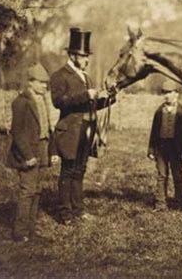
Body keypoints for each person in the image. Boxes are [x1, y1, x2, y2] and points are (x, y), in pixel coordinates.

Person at [50, 28, 114, 224]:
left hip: (86, 130)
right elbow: (59, 101)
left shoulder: (86, 77)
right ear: (72, 55)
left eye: (87, 56)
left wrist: (110, 98)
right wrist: (85, 95)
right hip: (70, 131)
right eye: (83, 56)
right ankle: (65, 214)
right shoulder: (60, 75)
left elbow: (92, 104)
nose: (87, 60)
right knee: (68, 171)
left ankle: (78, 210)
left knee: (80, 170)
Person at [8, 63, 59, 242]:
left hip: (43, 148)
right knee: (27, 190)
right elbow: (17, 132)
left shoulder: (43, 101)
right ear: (30, 83)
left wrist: (52, 151)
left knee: (37, 190)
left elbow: (48, 129)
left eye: (46, 83)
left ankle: (31, 229)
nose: (45, 86)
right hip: (28, 153)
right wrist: (28, 156)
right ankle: (20, 232)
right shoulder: (21, 102)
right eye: (41, 82)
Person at [147, 80, 182, 211]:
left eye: (169, 92)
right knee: (162, 175)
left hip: (176, 148)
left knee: (177, 175)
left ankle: (180, 204)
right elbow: (154, 132)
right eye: (164, 93)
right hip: (161, 147)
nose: (167, 95)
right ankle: (160, 204)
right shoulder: (159, 111)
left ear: (176, 94)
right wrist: (151, 149)